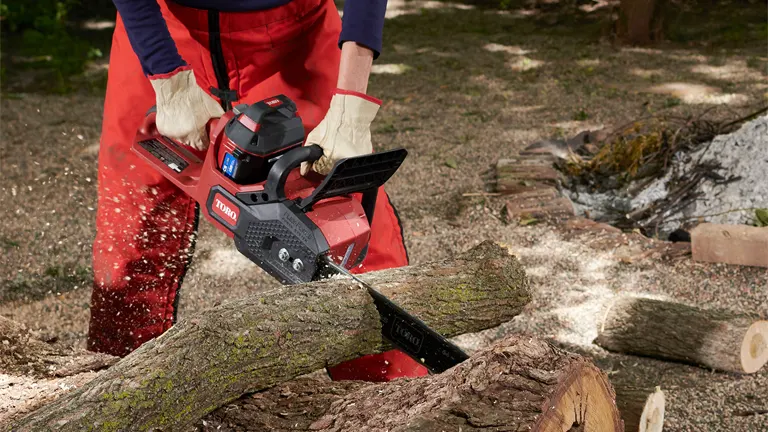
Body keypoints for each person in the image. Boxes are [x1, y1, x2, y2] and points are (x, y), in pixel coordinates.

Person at [88, 0, 428, 382]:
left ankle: (387, 397)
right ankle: (115, 390)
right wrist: (164, 72)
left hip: (292, 35)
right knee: (129, 241)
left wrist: (351, 103)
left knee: (348, 236)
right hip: (156, 26)